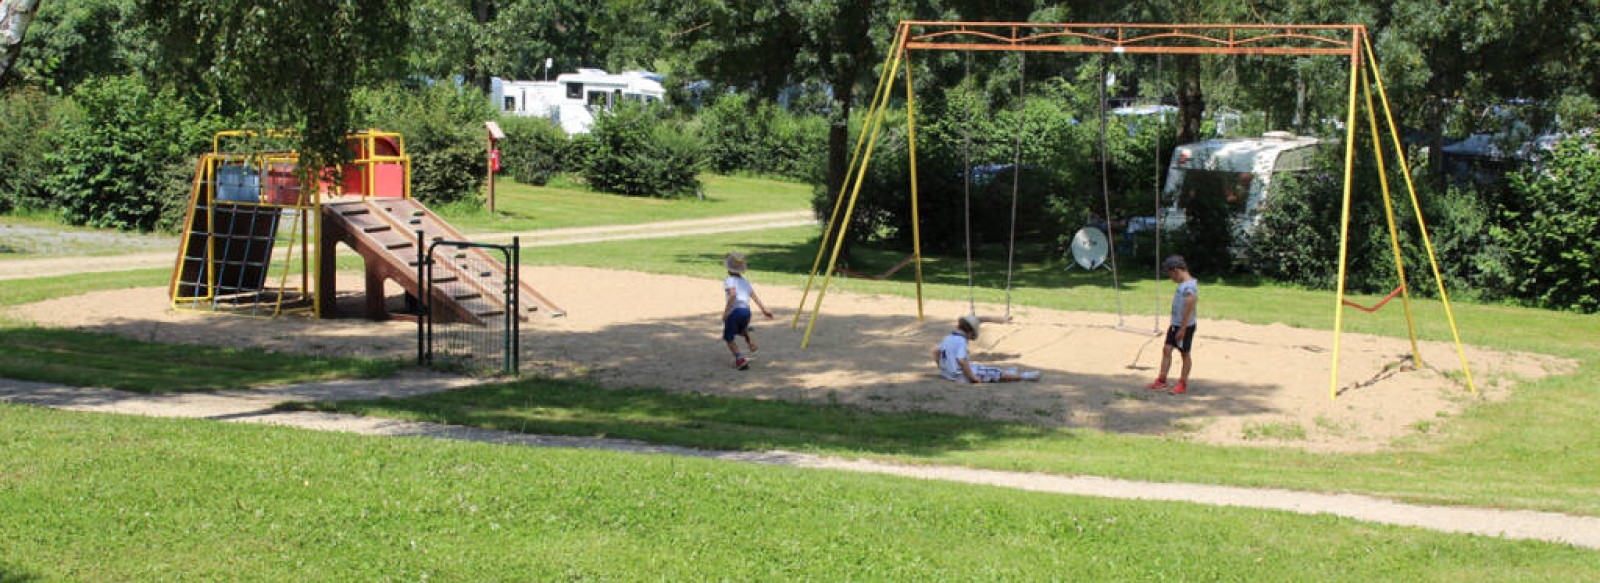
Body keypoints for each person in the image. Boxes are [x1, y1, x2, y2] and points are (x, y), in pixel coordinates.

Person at [934, 314, 1041, 383]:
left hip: (948, 374)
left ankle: (1009, 372)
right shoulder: (961, 341)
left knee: (981, 367)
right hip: (961, 376)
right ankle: (1024, 376)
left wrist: (942, 367)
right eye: (972, 336)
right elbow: (961, 361)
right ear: (970, 332)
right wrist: (972, 377)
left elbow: (936, 352)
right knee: (995, 373)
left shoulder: (948, 338)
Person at [1147, 255, 1198, 395]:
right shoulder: (1183, 285)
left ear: (1176, 270)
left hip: (1185, 326)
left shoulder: (1190, 286)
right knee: (1167, 349)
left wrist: (1182, 328)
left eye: (1170, 275)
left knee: (1184, 353)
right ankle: (1162, 380)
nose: (1171, 279)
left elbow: (1189, 307)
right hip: (1176, 325)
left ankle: (1182, 383)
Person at [721, 252, 772, 370]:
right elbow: (754, 296)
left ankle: (740, 359)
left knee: (728, 338)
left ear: (728, 268)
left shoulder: (729, 280)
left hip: (735, 311)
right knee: (742, 329)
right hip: (746, 311)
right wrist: (764, 310)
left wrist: (726, 312)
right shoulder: (745, 282)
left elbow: (732, 295)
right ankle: (750, 343)